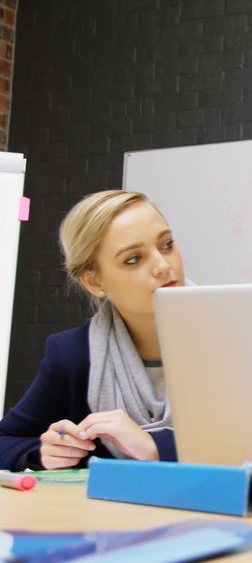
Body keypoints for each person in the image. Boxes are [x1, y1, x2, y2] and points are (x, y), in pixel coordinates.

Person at [0, 191, 185, 471]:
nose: (162, 265)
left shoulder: (234, 335)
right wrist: (44, 451)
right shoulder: (73, 355)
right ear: (94, 281)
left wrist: (154, 447)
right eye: (133, 259)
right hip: (108, 514)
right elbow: (5, 439)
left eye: (167, 244)